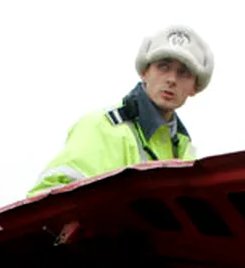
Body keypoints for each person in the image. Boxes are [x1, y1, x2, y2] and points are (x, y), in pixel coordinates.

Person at [28, 25, 213, 196]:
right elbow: (47, 200)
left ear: (194, 88)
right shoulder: (101, 126)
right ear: (144, 72)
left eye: (183, 73)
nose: (172, 79)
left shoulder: (185, 151)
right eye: (163, 66)